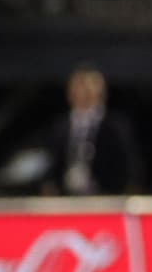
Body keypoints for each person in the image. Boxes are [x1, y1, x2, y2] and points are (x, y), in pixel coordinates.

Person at [43, 65, 142, 196]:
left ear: (99, 90)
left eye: (87, 86)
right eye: (78, 86)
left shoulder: (115, 125)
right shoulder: (60, 126)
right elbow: (50, 162)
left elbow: (129, 164)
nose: (82, 91)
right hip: (66, 197)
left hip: (105, 196)